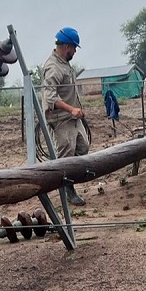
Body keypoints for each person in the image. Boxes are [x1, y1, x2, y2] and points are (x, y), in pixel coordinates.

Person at [41, 27, 89, 206]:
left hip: (73, 117)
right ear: (67, 46)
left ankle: (70, 180)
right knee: (66, 155)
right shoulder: (53, 67)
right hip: (61, 118)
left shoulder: (64, 63)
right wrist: (71, 110)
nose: (75, 51)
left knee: (83, 147)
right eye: (74, 48)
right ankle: (67, 188)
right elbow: (50, 97)